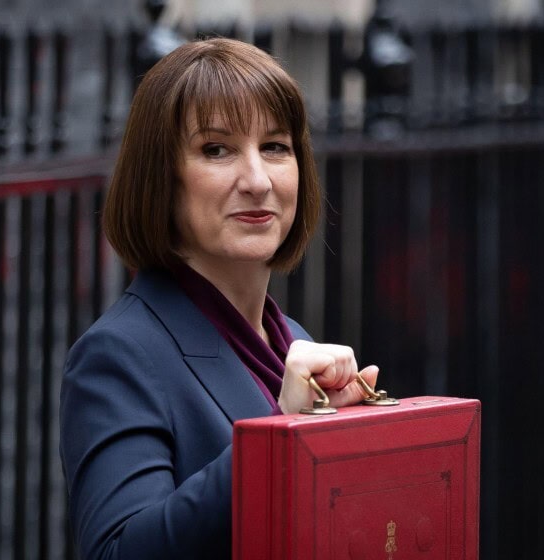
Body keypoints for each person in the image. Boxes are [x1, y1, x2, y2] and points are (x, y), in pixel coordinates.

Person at [59, 37, 379, 559]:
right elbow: (116, 550)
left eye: (275, 146)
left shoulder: (292, 341)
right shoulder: (118, 355)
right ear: (161, 178)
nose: (257, 180)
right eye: (216, 149)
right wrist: (276, 435)